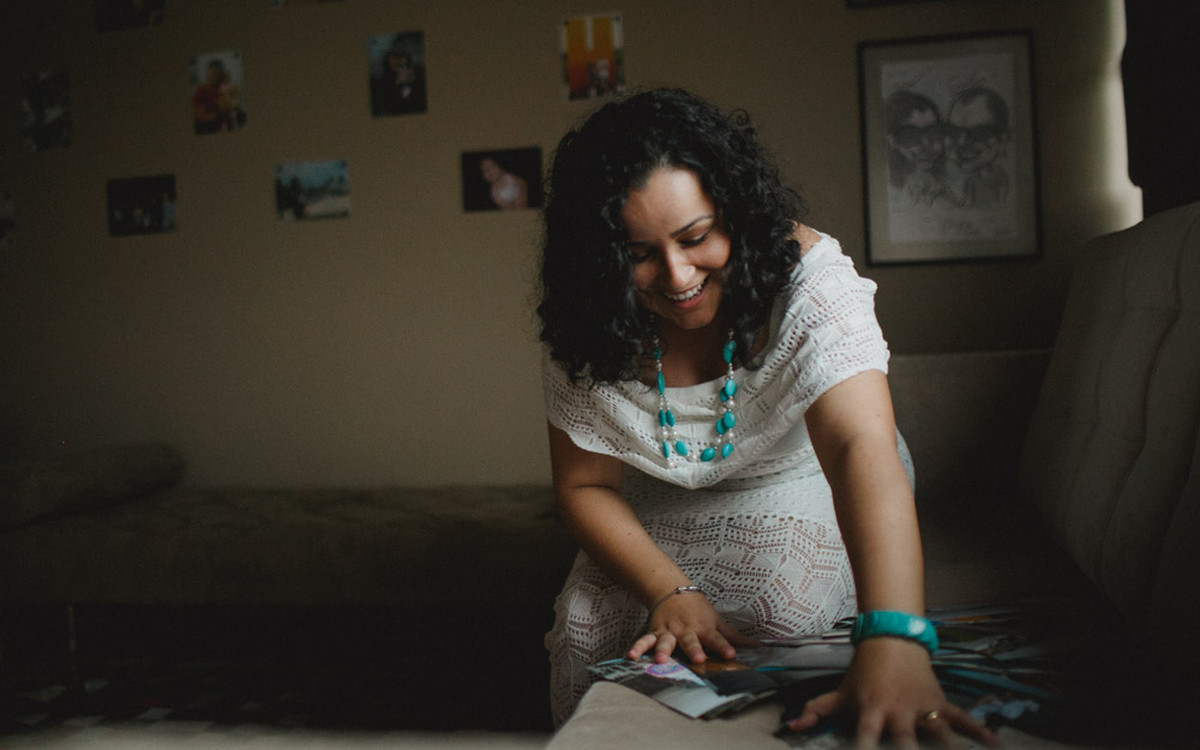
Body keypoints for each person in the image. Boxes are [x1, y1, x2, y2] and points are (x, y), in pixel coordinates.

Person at [537, 88, 998, 748]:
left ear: (737, 213)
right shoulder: (586, 313)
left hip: (805, 472)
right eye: (637, 255)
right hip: (659, 499)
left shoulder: (808, 278)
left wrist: (896, 639)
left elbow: (859, 445)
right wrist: (669, 591)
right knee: (589, 617)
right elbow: (584, 486)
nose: (676, 276)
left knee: (781, 599)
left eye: (696, 237)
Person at [943, 87, 1012, 208]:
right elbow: (967, 208)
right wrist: (945, 195)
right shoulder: (973, 181)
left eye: (979, 133)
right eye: (954, 131)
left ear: (1004, 137)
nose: (962, 142)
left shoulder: (1001, 178)